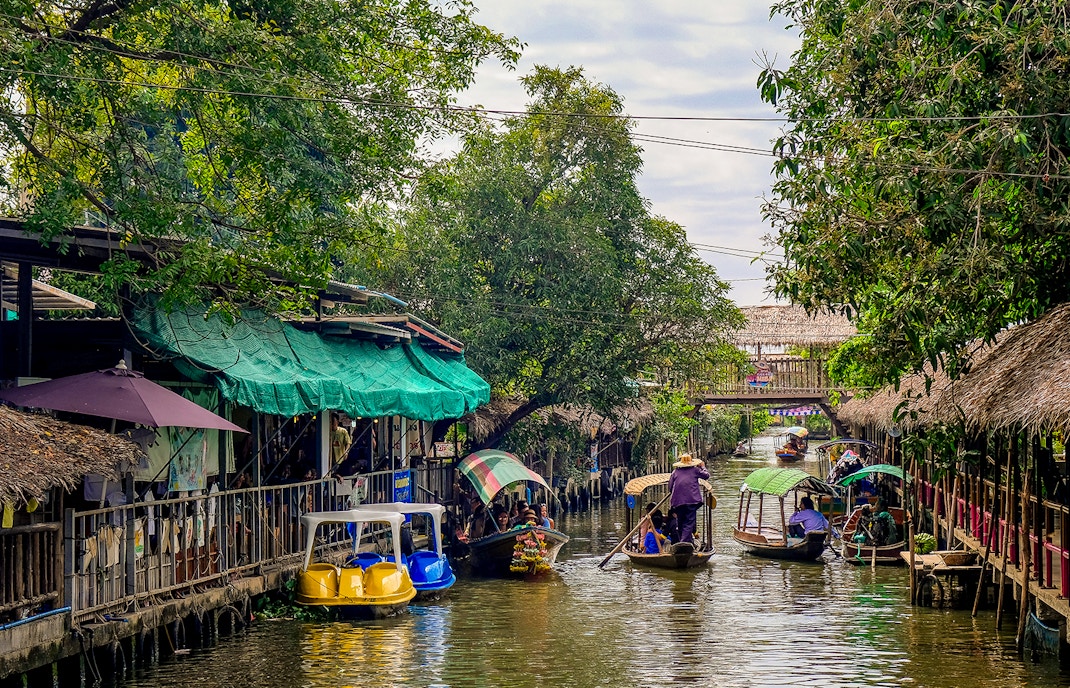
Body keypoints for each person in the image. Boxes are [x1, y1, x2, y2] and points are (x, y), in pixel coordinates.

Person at [668, 453, 710, 544]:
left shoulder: (675, 472)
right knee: (688, 522)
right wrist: (703, 467)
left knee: (681, 522)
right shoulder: (695, 470)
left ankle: (686, 542)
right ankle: (684, 542)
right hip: (692, 501)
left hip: (678, 502)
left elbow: (670, 487)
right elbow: (706, 475)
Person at [329, 414, 352, 479]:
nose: (332, 424)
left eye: (334, 422)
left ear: (337, 422)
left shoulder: (343, 431)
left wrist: (346, 452)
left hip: (340, 459)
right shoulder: (328, 431)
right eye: (331, 422)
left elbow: (348, 443)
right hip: (331, 460)